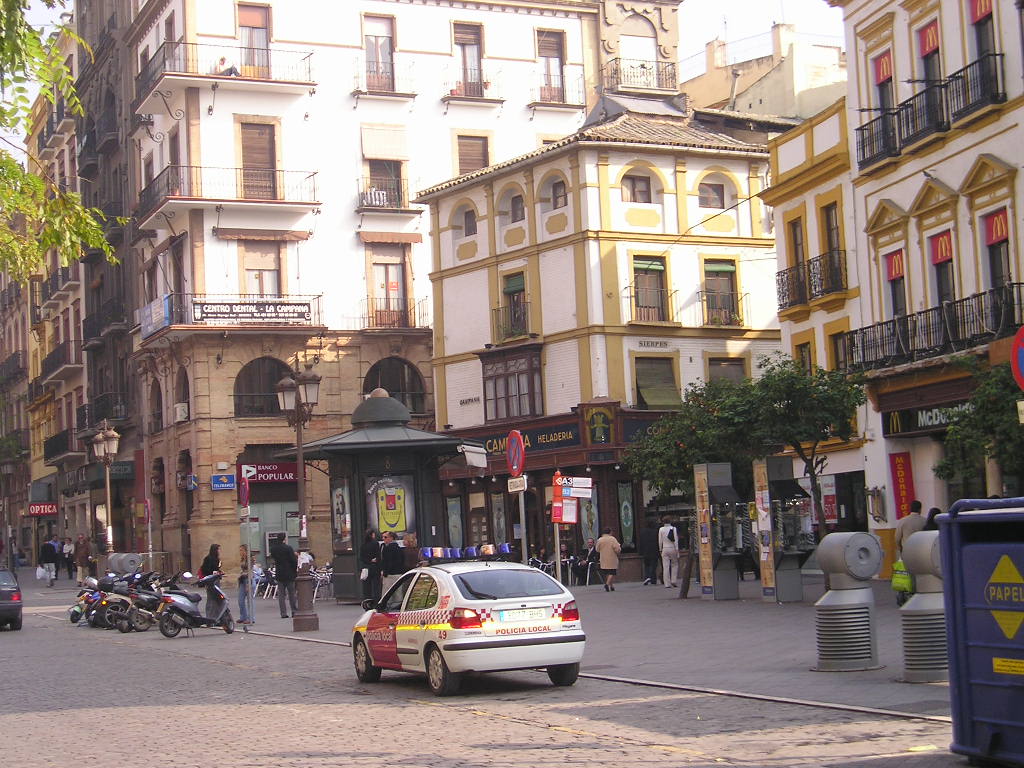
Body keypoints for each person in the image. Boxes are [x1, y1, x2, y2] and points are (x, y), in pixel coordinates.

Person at [270, 533, 298, 618]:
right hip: (289, 573)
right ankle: (294, 611)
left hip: (279, 573)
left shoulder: (273, 549)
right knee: (291, 593)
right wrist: (294, 570)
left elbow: (273, 558)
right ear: (284, 539)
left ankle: (283, 613)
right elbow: (293, 560)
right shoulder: (288, 548)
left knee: (281, 595)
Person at [595, 527, 621, 592]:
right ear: (610, 532)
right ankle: (607, 584)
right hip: (612, 558)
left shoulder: (600, 540)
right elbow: (617, 548)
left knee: (607, 572)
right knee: (612, 572)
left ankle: (611, 586)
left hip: (603, 558)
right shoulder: (612, 539)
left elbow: (597, 549)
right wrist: (618, 551)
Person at [360, 529, 382, 602]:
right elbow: (378, 556)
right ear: (372, 535)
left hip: (366, 567)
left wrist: (368, 560)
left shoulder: (363, 545)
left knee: (367, 586)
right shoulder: (375, 543)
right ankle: (376, 601)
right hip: (375, 567)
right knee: (376, 586)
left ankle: (367, 600)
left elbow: (361, 557)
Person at [658, 516, 680, 589]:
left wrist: (660, 549)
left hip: (664, 548)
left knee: (665, 566)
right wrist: (677, 550)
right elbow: (676, 540)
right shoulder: (673, 529)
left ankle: (667, 583)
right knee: (674, 564)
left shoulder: (661, 529)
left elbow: (660, 541)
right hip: (672, 548)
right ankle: (673, 580)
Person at [638, 521, 659, 585]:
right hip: (654, 551)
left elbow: (640, 541)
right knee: (653, 566)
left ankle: (647, 577)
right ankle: (653, 579)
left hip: (645, 551)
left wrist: (640, 551)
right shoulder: (656, 531)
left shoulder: (642, 531)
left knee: (647, 565)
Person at [237, 545, 253, 625]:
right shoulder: (242, 559)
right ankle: (243, 616)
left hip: (248, 580)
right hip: (242, 580)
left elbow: (250, 571)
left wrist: (248, 583)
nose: (240, 552)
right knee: (240, 600)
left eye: (241, 550)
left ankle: (251, 618)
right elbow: (243, 569)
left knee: (249, 600)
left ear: (245, 551)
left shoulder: (250, 559)